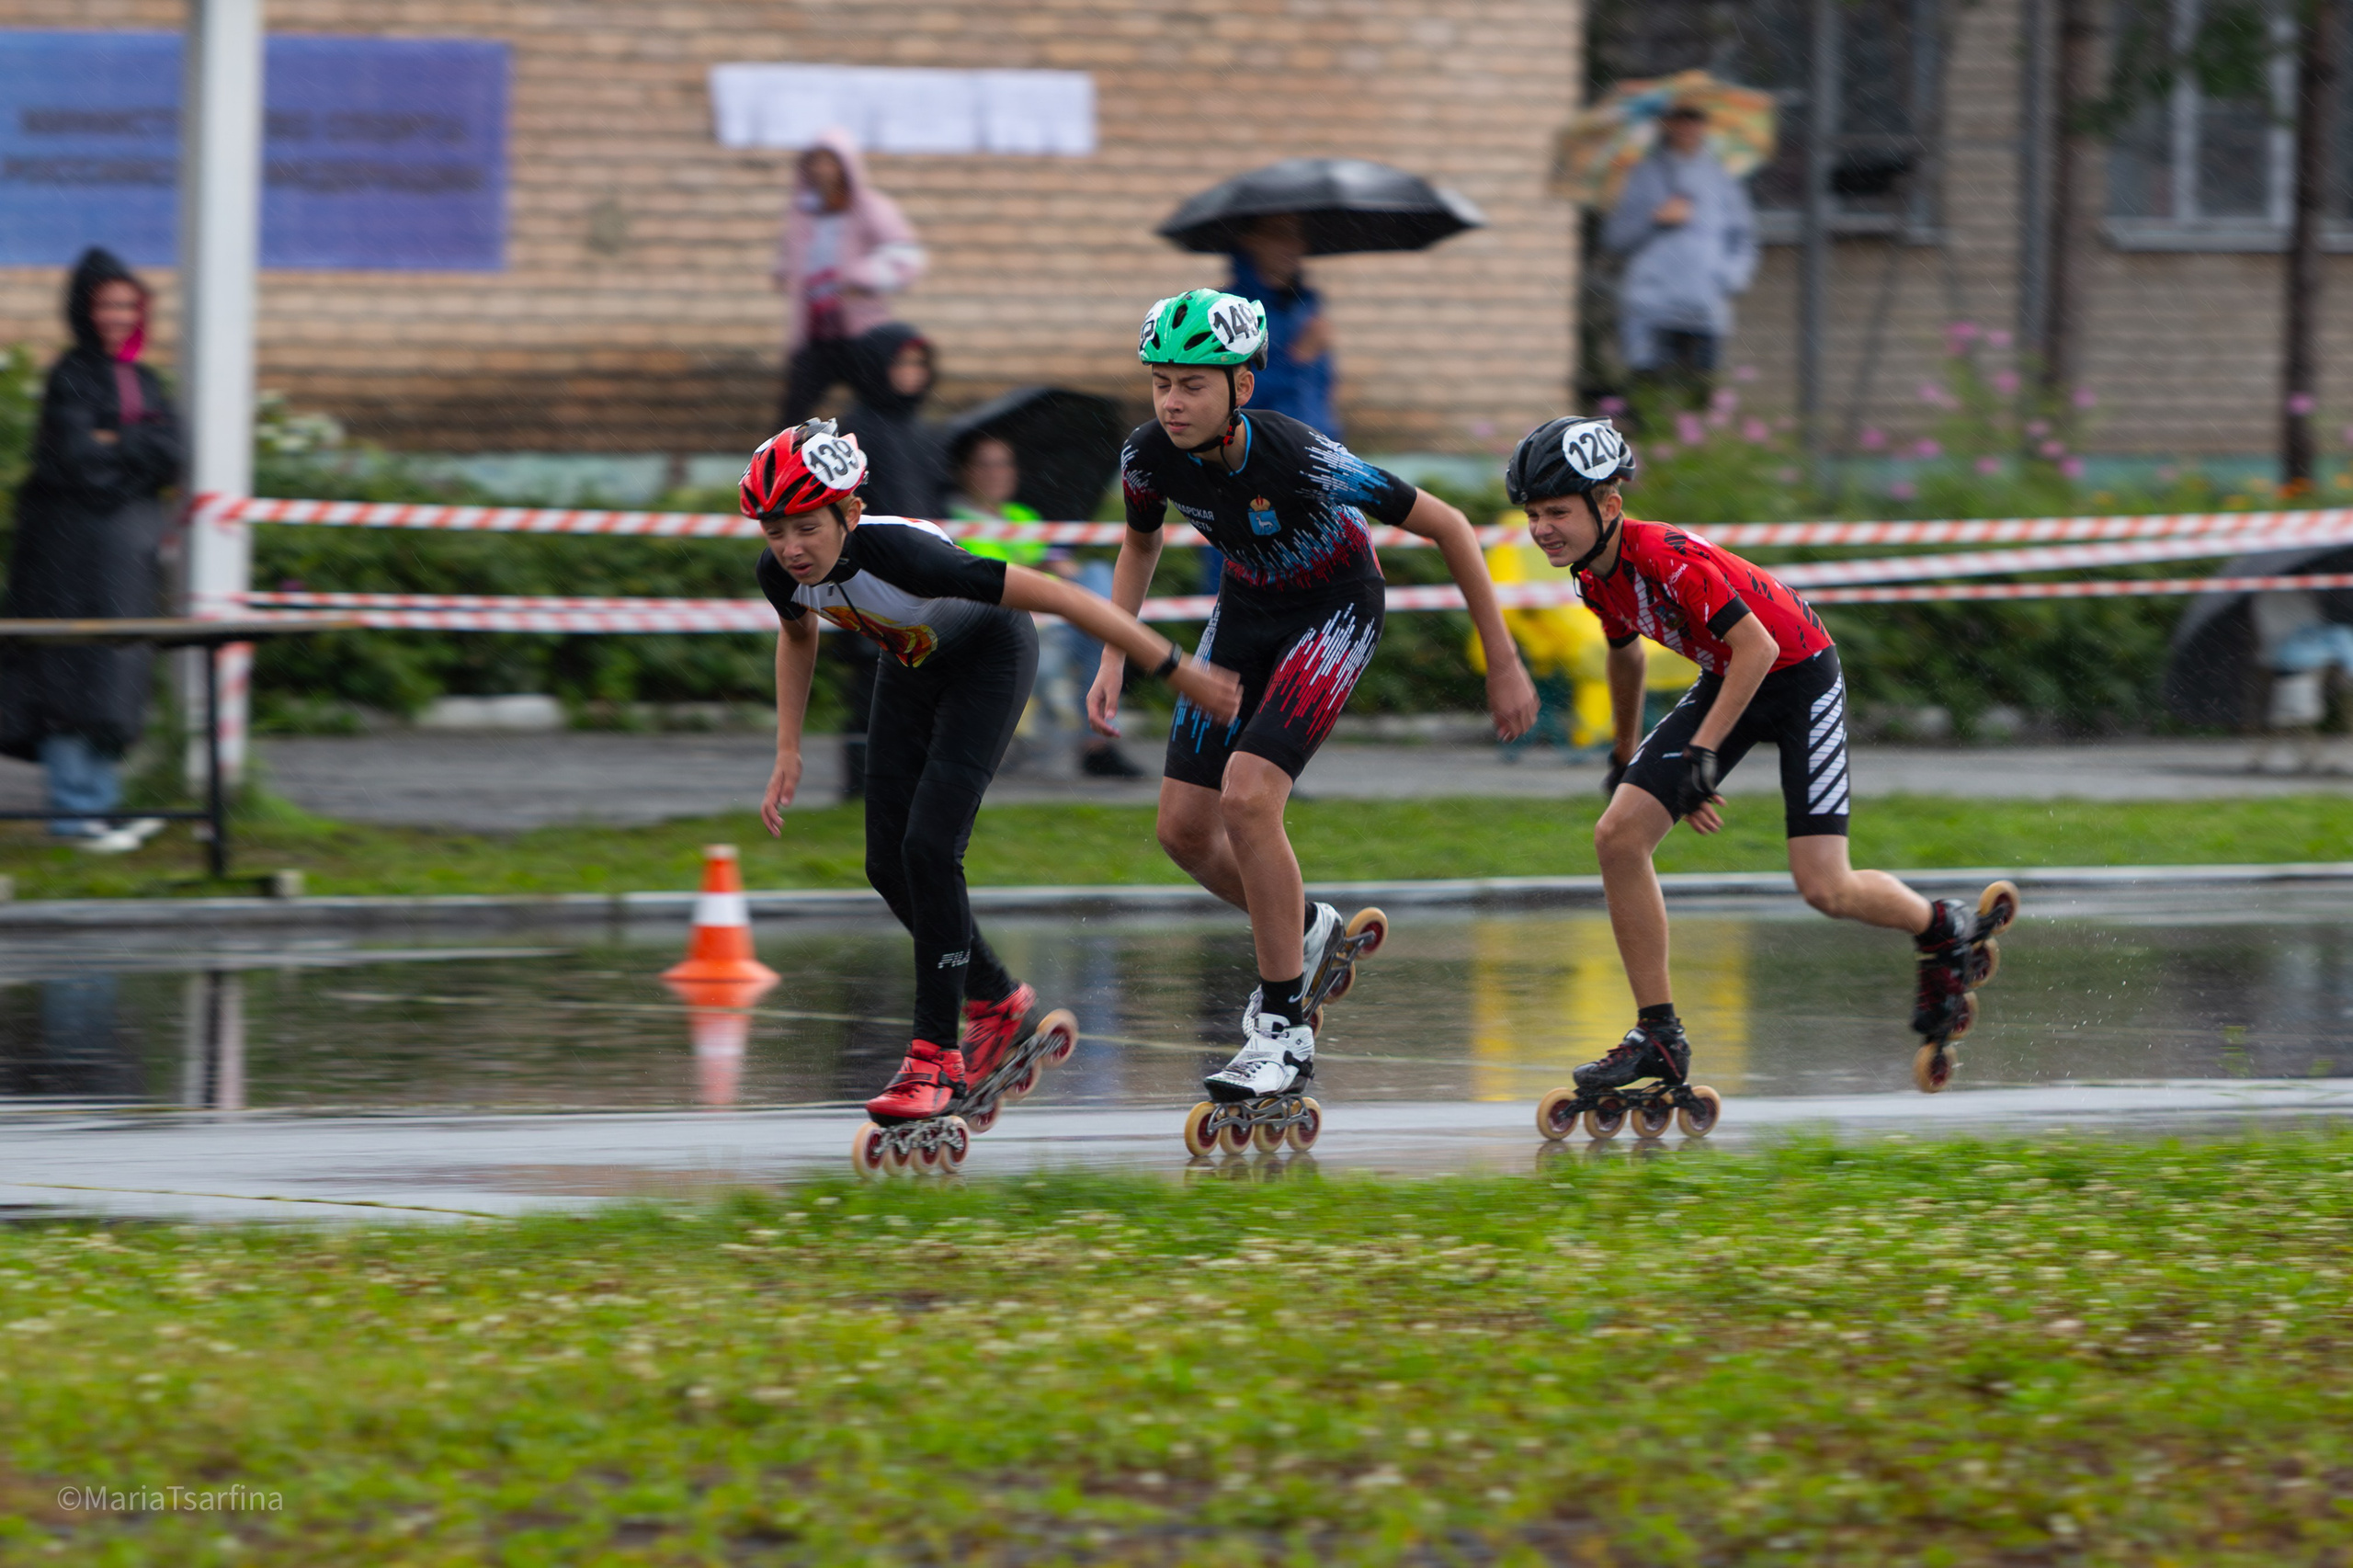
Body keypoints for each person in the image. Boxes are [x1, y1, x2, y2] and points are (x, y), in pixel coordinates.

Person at [1091, 288, 1538, 1104]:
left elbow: (1450, 527)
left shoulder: (1301, 456)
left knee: (1250, 801)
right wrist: (1116, 655)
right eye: (1161, 382)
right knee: (1182, 831)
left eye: (1193, 383)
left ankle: (1282, 1031)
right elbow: (1140, 541)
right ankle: (1308, 934)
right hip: (1248, 609)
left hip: (1333, 610)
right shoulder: (1147, 455)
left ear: (1242, 389)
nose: (1172, 401)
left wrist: (1500, 657)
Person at [749, 419, 1242, 1122]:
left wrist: (1174, 668)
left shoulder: (911, 558)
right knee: (886, 865)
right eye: (776, 533)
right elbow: (797, 634)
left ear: (849, 513)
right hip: (913, 661)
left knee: (929, 848)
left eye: (806, 528)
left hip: (989, 655)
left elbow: (1065, 597)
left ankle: (934, 1057)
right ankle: (998, 1001)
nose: (793, 550)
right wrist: (788, 749)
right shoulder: (782, 573)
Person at [1508, 415, 2005, 1094]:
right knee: (1619, 837)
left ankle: (1941, 928)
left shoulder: (1666, 557)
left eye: (1557, 511)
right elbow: (1624, 656)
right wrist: (1626, 753)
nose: (1542, 529)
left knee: (1824, 886)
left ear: (1610, 505)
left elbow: (1760, 649)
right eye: (1533, 514)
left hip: (1798, 676)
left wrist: (1703, 754)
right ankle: (1659, 1032)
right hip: (1732, 675)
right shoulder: (1596, 578)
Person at [0, 247, 182, 852]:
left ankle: (101, 807)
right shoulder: (71, 376)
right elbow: (78, 462)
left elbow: (173, 454)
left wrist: (118, 441)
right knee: (67, 673)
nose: (118, 317)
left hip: (125, 558)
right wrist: (138, 449)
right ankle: (75, 814)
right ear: (84, 309)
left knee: (115, 674)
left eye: (128, 305)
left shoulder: (146, 378)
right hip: (66, 555)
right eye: (106, 304)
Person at [1603, 101, 1757, 414]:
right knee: (1647, 396)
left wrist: (1726, 278)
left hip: (1703, 307)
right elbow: (1614, 238)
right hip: (1650, 306)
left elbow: (1744, 238)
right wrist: (1654, 219)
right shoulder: (1640, 175)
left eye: (1694, 118)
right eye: (1679, 119)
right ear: (1665, 124)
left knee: (1699, 401)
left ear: (1704, 126)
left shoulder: (1722, 180)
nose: (1687, 127)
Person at [772, 130, 926, 429]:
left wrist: (860, 276)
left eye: (830, 162)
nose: (822, 170)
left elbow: (907, 258)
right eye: (816, 162)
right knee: (794, 410)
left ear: (846, 166)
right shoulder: (803, 213)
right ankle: (778, 470)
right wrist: (785, 273)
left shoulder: (871, 209)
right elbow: (794, 255)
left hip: (862, 334)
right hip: (816, 333)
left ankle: (886, 461)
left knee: (881, 406)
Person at [1225, 212, 1336, 437]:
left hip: (1316, 448)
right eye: (1280, 234)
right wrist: (1296, 360)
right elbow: (1229, 395)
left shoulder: (1306, 305)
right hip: (1262, 449)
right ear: (1249, 240)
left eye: (1298, 236)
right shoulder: (1228, 310)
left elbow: (1321, 387)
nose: (1293, 245)